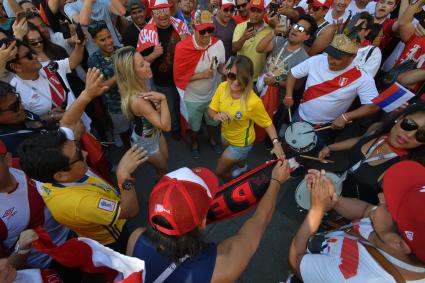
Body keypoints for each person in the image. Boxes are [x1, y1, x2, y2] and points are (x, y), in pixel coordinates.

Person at [18, 68, 148, 253]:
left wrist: (87, 94)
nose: (86, 154)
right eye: (79, 155)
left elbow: (66, 124)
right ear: (61, 175)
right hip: (113, 238)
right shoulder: (77, 204)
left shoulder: (51, 161)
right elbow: (129, 211)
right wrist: (124, 178)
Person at [127, 160, 290, 283]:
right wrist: (276, 182)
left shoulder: (136, 239)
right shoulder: (222, 265)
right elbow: (259, 221)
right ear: (203, 222)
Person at [289, 160, 425, 282]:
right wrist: (333, 198)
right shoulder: (396, 230)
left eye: (389, 205)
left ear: (398, 244)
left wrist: (316, 210)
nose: (381, 196)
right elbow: (366, 210)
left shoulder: (358, 278)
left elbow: (296, 260)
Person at [284, 32, 379, 152]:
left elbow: (373, 106)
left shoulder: (362, 77)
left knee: (310, 151)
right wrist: (288, 95)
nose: (331, 61)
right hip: (300, 115)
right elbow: (293, 74)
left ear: (352, 57)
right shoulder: (316, 60)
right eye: (330, 55)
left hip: (324, 127)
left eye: (338, 58)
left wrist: (346, 117)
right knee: (289, 141)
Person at [318, 102, 425, 204]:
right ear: (400, 118)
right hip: (341, 181)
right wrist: (331, 147)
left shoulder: (404, 169)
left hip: (352, 208)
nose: (409, 135)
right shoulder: (377, 129)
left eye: (422, 135)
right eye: (410, 124)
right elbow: (360, 140)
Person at [208, 55, 284, 180]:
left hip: (241, 143)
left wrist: (276, 143)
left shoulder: (253, 102)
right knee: (239, 159)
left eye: (242, 79)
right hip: (225, 135)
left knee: (220, 171)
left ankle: (231, 185)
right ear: (227, 73)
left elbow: (267, 123)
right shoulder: (222, 87)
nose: (236, 82)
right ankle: (243, 167)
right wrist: (216, 116)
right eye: (232, 76)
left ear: (248, 79)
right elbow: (211, 110)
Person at [0, 142, 69, 269]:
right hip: (47, 266)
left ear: (7, 160)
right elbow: (4, 272)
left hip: (74, 235)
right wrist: (22, 248)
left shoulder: (26, 164)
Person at [174, 10, 225, 158]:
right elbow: (178, 77)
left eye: (210, 30)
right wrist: (201, 75)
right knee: (194, 127)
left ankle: (211, 138)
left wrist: (228, 72)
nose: (207, 35)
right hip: (192, 98)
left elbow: (220, 65)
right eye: (203, 31)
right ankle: (195, 143)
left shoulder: (218, 44)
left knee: (212, 122)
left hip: (212, 95)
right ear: (194, 28)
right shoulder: (182, 48)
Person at [136, 0, 190, 139]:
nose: (163, 15)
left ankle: (187, 126)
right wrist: (154, 54)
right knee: (171, 107)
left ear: (169, 10)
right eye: (158, 12)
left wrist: (186, 43)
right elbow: (139, 63)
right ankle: (175, 129)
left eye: (165, 10)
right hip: (163, 81)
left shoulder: (180, 25)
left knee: (185, 103)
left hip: (183, 78)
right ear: (153, 13)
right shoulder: (145, 33)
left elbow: (192, 51)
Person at [114, 46, 170, 179]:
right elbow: (166, 126)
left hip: (154, 131)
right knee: (163, 169)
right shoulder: (138, 100)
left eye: (144, 60)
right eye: (142, 64)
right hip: (146, 142)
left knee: (165, 159)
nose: (148, 64)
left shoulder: (141, 84)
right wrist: (163, 99)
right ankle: (160, 193)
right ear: (132, 73)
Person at [256, 14, 315, 142]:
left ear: (307, 36)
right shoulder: (279, 41)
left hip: (279, 97)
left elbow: (297, 86)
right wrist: (274, 32)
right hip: (260, 87)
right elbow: (259, 48)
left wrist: (276, 82)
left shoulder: (304, 59)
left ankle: (270, 143)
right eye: (295, 26)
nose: (295, 30)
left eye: (301, 29)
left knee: (272, 121)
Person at [6, 40, 89, 126]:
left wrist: (79, 45)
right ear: (16, 66)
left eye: (31, 52)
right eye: (28, 56)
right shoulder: (14, 92)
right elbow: (30, 124)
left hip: (84, 124)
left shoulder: (49, 66)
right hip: (61, 136)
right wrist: (52, 117)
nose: (35, 56)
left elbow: (72, 62)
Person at [88, 20, 131, 148]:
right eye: (102, 40)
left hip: (133, 100)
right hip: (116, 106)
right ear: (95, 41)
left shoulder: (121, 51)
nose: (108, 42)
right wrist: (120, 72)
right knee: (125, 135)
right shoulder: (93, 60)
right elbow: (101, 87)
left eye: (109, 37)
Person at [232, 0, 272, 81]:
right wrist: (244, 37)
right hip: (240, 75)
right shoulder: (240, 27)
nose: (255, 15)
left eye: (259, 11)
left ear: (264, 11)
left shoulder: (270, 30)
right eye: (253, 11)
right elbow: (234, 49)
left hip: (259, 79)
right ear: (248, 11)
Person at [352, 12, 382, 77]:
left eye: (359, 28)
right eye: (352, 27)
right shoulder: (339, 40)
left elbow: (365, 78)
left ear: (367, 31)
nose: (354, 31)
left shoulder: (374, 52)